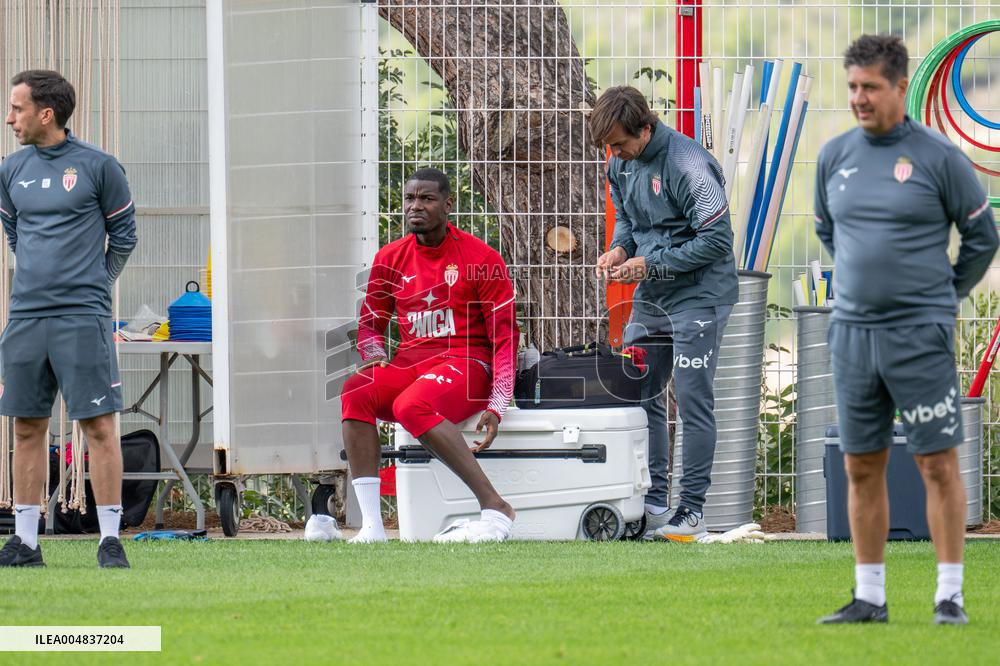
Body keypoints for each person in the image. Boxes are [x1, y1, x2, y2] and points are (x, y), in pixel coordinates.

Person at [814, 35, 997, 625]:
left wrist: (941, 296)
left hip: (919, 336)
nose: (859, 98)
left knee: (936, 463)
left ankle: (950, 597)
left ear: (898, 87)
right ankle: (869, 598)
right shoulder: (834, 156)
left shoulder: (939, 156)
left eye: (870, 87)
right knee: (860, 463)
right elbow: (829, 234)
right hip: (852, 338)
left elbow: (982, 238)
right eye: (852, 88)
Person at [321, 167, 518, 544]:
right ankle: (372, 528)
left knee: (411, 406)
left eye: (426, 199)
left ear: (448, 205)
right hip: (411, 362)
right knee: (355, 391)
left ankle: (495, 507)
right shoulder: (390, 258)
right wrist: (374, 353)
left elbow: (506, 338)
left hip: (467, 363)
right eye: (410, 198)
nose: (416, 206)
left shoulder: (481, 258)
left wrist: (497, 403)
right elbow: (370, 325)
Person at [589, 86, 739, 542]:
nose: (614, 154)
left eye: (619, 143)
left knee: (693, 399)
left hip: (700, 295)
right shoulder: (620, 163)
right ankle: (651, 503)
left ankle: (691, 511)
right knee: (639, 392)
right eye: (609, 147)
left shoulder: (688, 163)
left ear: (646, 128)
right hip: (651, 297)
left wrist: (651, 263)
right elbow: (631, 221)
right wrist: (619, 249)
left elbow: (717, 241)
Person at [0, 70, 137, 568]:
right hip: (26, 317)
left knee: (98, 426)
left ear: (46, 113)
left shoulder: (100, 167)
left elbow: (124, 237)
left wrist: (94, 284)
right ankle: (26, 543)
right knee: (25, 427)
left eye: (17, 108)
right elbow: (15, 234)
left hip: (83, 317)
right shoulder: (10, 170)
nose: (10, 117)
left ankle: (109, 541)